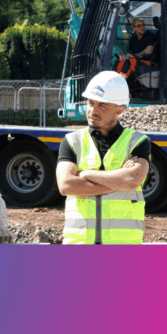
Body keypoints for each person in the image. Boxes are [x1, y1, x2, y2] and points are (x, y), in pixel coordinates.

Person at [56, 71, 151, 244]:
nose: (93, 110)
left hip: (122, 248)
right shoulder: (72, 141)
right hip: (79, 246)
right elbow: (66, 185)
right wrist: (117, 181)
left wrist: (85, 175)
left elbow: (132, 179)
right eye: (91, 102)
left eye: (102, 105)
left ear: (119, 109)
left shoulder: (137, 142)